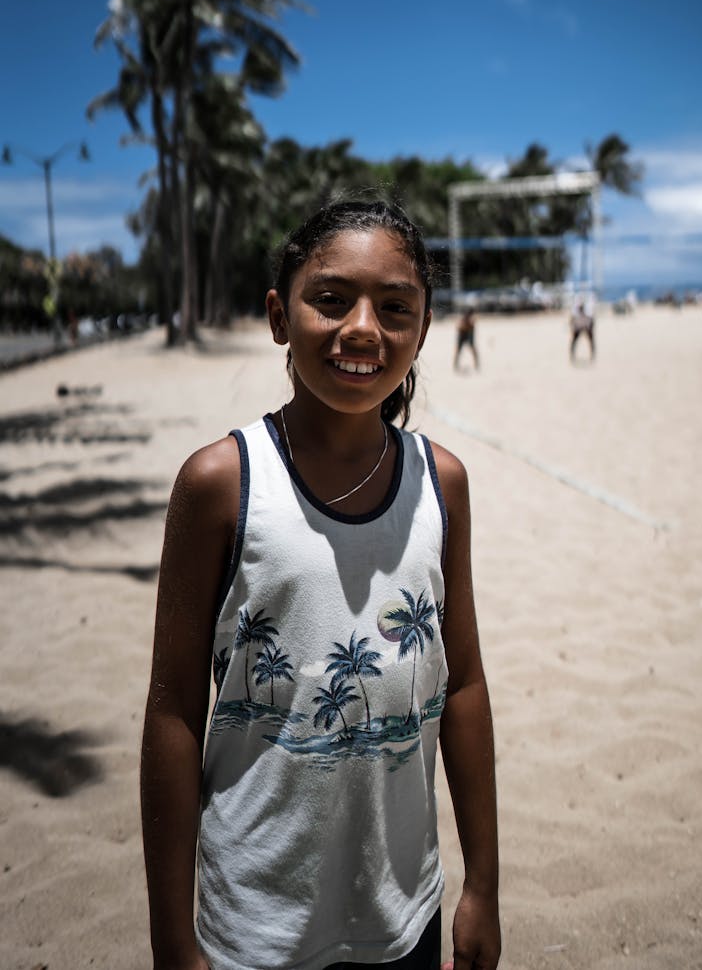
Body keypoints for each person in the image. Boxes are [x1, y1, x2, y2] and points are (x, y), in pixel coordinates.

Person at [141, 200, 501, 970]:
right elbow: (173, 712)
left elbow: (463, 685)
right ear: (280, 315)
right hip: (255, 919)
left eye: (395, 307)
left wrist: (483, 888)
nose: (364, 328)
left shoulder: (442, 484)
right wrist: (172, 939)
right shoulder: (223, 484)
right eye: (331, 299)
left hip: (404, 908)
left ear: (425, 327)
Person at [569, 294, 595, 362]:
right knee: (574, 341)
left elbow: (592, 321)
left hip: (586, 326)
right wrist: (573, 328)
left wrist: (591, 328)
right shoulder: (576, 312)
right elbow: (572, 321)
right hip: (579, 327)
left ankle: (592, 354)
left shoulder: (588, 312)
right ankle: (572, 355)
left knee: (590, 341)